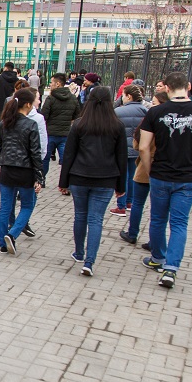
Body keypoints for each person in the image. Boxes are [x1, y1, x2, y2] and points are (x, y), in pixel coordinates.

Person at [138, 72, 192, 289]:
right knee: (179, 223)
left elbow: (144, 146)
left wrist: (149, 169)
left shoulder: (156, 112)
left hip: (161, 174)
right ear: (189, 87)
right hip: (189, 176)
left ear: (166, 88)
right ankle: (171, 269)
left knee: (157, 219)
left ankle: (158, 258)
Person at [58, 86, 127, 276]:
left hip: (79, 176)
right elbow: (121, 158)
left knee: (80, 215)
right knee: (96, 219)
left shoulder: (79, 124)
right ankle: (89, 262)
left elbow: (69, 155)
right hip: (105, 179)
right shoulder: (117, 125)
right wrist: (121, 186)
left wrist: (63, 182)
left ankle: (79, 252)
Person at [0, 88, 43, 256]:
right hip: (25, 172)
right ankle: (13, 233)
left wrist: (7, 158)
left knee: (5, 208)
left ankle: (3, 243)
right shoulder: (31, 125)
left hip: (6, 170)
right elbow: (35, 153)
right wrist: (40, 176)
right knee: (28, 205)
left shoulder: (4, 123)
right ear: (28, 104)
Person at [120, 91, 169, 246]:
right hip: (165, 169)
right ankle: (155, 241)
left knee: (138, 203)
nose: (151, 106)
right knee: (159, 210)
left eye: (154, 103)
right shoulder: (172, 123)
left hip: (146, 168)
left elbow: (138, 145)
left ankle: (132, 233)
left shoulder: (149, 120)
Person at [110, 85, 148, 216]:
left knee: (122, 176)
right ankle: (129, 202)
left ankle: (120, 205)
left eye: (123, 95)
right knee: (133, 176)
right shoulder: (146, 111)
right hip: (138, 148)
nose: (122, 98)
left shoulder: (118, 112)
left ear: (129, 96)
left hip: (121, 149)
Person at [40, 73, 82, 178]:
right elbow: (77, 115)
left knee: (45, 158)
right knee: (66, 159)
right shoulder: (72, 98)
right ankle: (66, 181)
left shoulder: (51, 99)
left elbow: (44, 116)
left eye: (51, 82)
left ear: (58, 84)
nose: (50, 85)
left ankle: (42, 178)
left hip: (50, 133)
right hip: (66, 134)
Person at [0, 62, 19, 155]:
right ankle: (3, 145)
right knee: (6, 126)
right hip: (10, 106)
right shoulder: (16, 80)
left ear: (5, 68)